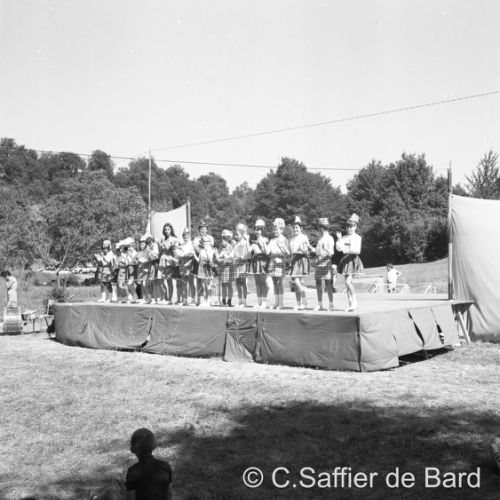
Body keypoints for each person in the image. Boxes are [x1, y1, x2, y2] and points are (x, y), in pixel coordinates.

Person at [336, 214, 363, 311]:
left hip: (353, 259)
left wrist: (349, 247)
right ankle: (350, 304)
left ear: (355, 227)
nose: (349, 229)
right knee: (347, 283)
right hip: (345, 260)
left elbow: (357, 250)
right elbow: (339, 249)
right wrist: (339, 239)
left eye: (351, 227)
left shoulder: (357, 237)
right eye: (347, 227)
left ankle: (355, 301)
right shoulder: (344, 237)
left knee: (348, 282)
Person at [289, 216, 313, 310]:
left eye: (297, 227)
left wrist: (301, 249)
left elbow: (307, 252)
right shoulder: (291, 239)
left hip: (302, 259)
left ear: (301, 228)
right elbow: (291, 251)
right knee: (295, 283)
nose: (295, 229)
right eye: (294, 227)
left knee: (296, 281)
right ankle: (299, 303)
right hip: (294, 259)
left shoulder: (304, 237)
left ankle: (304, 300)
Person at [267, 218, 290, 310]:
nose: (275, 231)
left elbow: (288, 253)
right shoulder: (272, 240)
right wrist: (262, 244)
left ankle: (281, 303)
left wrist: (282, 247)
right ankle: (276, 302)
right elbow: (267, 251)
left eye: (277, 229)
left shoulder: (285, 240)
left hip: (280, 260)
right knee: (274, 282)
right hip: (272, 260)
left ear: (281, 230)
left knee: (279, 282)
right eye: (275, 229)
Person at [314, 217, 335, 311]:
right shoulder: (320, 239)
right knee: (318, 282)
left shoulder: (330, 238)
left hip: (326, 261)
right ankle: (320, 304)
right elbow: (317, 252)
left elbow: (331, 252)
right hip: (319, 262)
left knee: (327, 283)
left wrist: (325, 250)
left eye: (320, 227)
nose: (320, 229)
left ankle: (331, 304)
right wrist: (312, 248)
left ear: (323, 228)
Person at [158, 223, 178, 304]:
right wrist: (159, 244)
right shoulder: (162, 239)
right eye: (165, 229)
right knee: (161, 280)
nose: (166, 231)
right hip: (162, 260)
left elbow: (172, 249)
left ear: (171, 230)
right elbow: (160, 251)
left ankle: (170, 299)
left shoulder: (174, 239)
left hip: (169, 261)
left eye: (168, 229)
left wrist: (164, 244)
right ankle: (164, 298)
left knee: (169, 280)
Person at [176, 228, 196, 306]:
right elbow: (178, 254)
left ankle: (193, 299)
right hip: (182, 264)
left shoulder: (192, 244)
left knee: (191, 282)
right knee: (183, 282)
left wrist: (183, 254)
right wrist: (181, 253)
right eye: (184, 236)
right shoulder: (182, 244)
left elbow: (191, 253)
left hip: (190, 263)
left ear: (189, 236)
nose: (185, 237)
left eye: (187, 235)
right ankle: (185, 300)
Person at [232, 223, 251, 307]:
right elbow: (234, 254)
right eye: (236, 234)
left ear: (242, 233)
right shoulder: (236, 243)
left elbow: (248, 253)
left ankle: (245, 301)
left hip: (243, 263)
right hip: (236, 263)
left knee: (243, 282)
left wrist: (242, 257)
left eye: (237, 234)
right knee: (237, 282)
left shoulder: (245, 242)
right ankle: (240, 301)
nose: (236, 236)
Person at [216, 229, 235, 307]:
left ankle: (229, 301)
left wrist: (226, 259)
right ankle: (223, 300)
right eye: (223, 237)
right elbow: (219, 255)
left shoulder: (231, 246)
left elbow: (232, 258)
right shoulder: (220, 245)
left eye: (225, 237)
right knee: (223, 284)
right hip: (222, 267)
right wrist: (218, 259)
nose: (223, 239)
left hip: (229, 267)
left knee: (229, 284)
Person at [196, 235, 216, 306]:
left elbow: (210, 259)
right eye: (204, 241)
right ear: (202, 242)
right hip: (201, 267)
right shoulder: (201, 250)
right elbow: (199, 260)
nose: (206, 242)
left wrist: (207, 250)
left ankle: (209, 300)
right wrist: (194, 255)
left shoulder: (211, 250)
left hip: (207, 268)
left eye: (208, 241)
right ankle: (205, 300)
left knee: (208, 285)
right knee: (203, 285)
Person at [136, 236, 151, 304]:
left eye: (143, 242)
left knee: (145, 284)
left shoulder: (148, 251)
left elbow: (149, 260)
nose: (141, 244)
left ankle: (149, 298)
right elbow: (136, 260)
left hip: (146, 270)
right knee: (142, 284)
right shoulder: (139, 252)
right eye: (141, 242)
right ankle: (144, 298)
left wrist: (143, 263)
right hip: (140, 270)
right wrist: (138, 261)